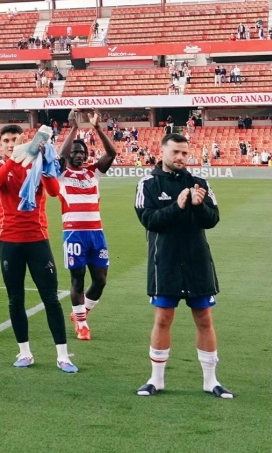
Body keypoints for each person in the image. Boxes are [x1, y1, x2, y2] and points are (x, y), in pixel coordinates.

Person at [134, 133, 232, 399]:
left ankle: (211, 381)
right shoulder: (148, 184)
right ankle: (156, 380)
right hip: (164, 262)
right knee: (163, 318)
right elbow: (149, 220)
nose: (180, 158)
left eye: (184, 153)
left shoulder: (199, 183)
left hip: (197, 261)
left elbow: (212, 219)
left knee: (204, 318)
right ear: (162, 151)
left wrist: (198, 207)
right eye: (175, 152)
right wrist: (177, 207)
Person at [0, 125, 77, 373]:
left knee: (50, 298)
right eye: (6, 140)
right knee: (16, 299)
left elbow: (55, 191)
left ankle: (62, 355)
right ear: (1, 144)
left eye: (15, 139)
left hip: (37, 239)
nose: (11, 143)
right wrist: (13, 160)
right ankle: (25, 352)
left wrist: (44, 160)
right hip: (9, 240)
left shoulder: (39, 164)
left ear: (25, 140)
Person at [53, 110, 116, 341]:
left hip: (96, 234)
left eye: (82, 153)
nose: (79, 155)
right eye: (75, 152)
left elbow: (112, 153)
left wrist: (98, 128)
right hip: (74, 234)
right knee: (77, 279)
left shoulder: (93, 173)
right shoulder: (61, 174)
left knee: (100, 280)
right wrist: (74, 128)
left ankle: (81, 314)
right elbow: (60, 156)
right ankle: (82, 325)